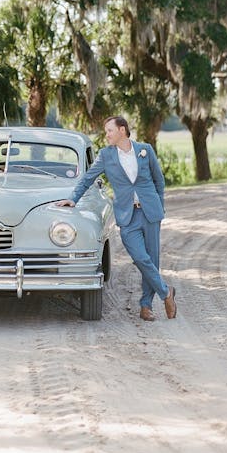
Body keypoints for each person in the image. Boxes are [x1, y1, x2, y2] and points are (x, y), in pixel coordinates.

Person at [56, 116, 177, 321]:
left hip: (149, 213)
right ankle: (166, 292)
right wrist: (72, 199)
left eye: (109, 130)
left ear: (122, 130)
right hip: (127, 216)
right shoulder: (105, 155)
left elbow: (159, 181)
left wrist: (160, 206)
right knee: (140, 258)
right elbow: (87, 178)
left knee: (152, 259)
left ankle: (146, 306)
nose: (107, 135)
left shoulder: (145, 150)